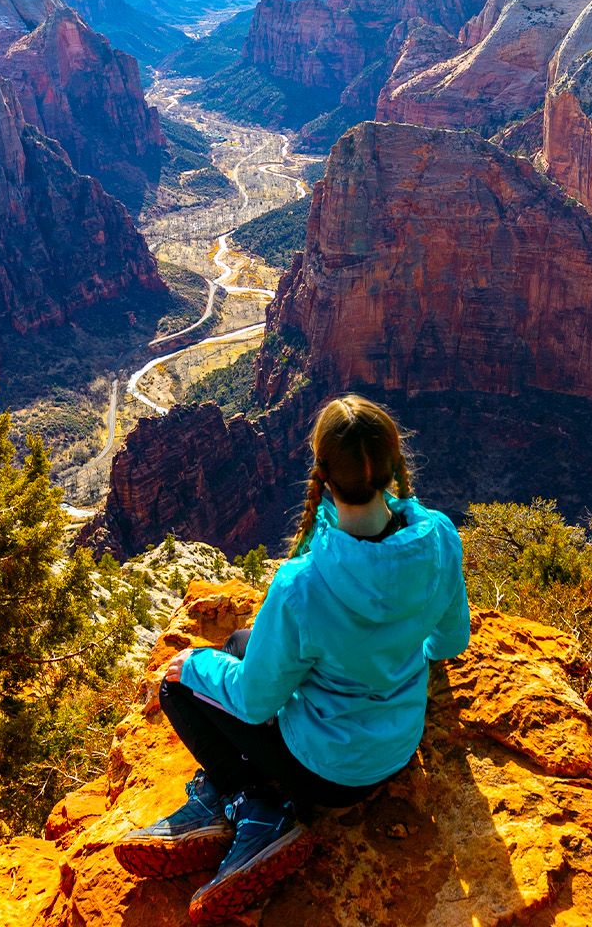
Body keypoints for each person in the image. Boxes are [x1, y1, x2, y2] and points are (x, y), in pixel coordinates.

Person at [115, 395, 471, 924]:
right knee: (241, 642)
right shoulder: (439, 536)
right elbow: (448, 642)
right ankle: (230, 800)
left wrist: (192, 664)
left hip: (323, 774)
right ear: (393, 462)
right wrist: (387, 649)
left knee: (178, 684)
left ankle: (255, 807)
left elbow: (256, 703)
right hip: (397, 746)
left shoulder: (301, 584)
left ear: (323, 475)